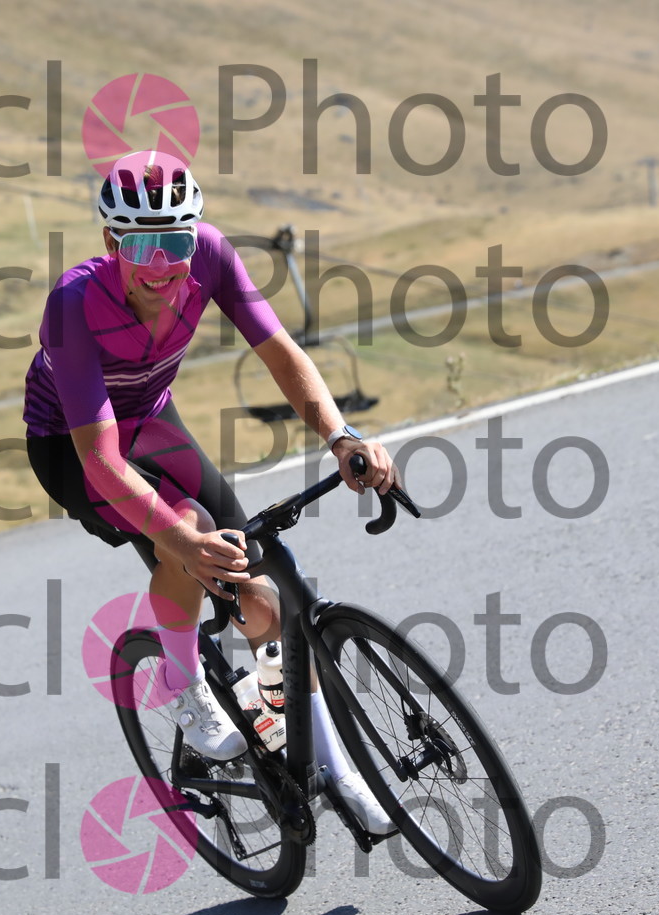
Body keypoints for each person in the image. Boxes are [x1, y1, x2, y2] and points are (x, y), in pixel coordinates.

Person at [23, 150, 398, 834]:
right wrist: (181, 541)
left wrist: (342, 436)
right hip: (75, 446)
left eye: (176, 241)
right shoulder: (74, 305)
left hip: (151, 419)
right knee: (191, 532)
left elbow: (279, 351)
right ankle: (181, 680)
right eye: (141, 245)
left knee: (260, 590)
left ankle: (339, 771)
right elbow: (101, 459)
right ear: (110, 241)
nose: (162, 264)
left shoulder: (213, 256)